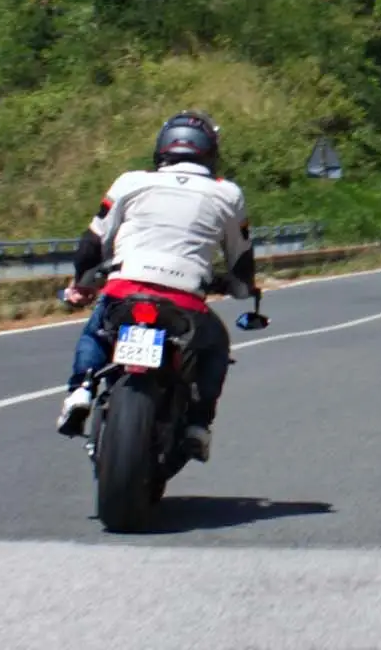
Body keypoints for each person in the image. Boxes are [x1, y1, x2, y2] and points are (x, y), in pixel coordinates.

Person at [55, 110, 256, 461]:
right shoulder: (227, 194)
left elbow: (92, 242)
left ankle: (81, 389)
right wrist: (241, 288)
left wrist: (81, 284)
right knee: (216, 346)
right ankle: (197, 423)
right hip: (185, 301)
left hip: (126, 288)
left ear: (162, 148)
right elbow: (240, 258)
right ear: (210, 151)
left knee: (97, 332)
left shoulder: (131, 182)